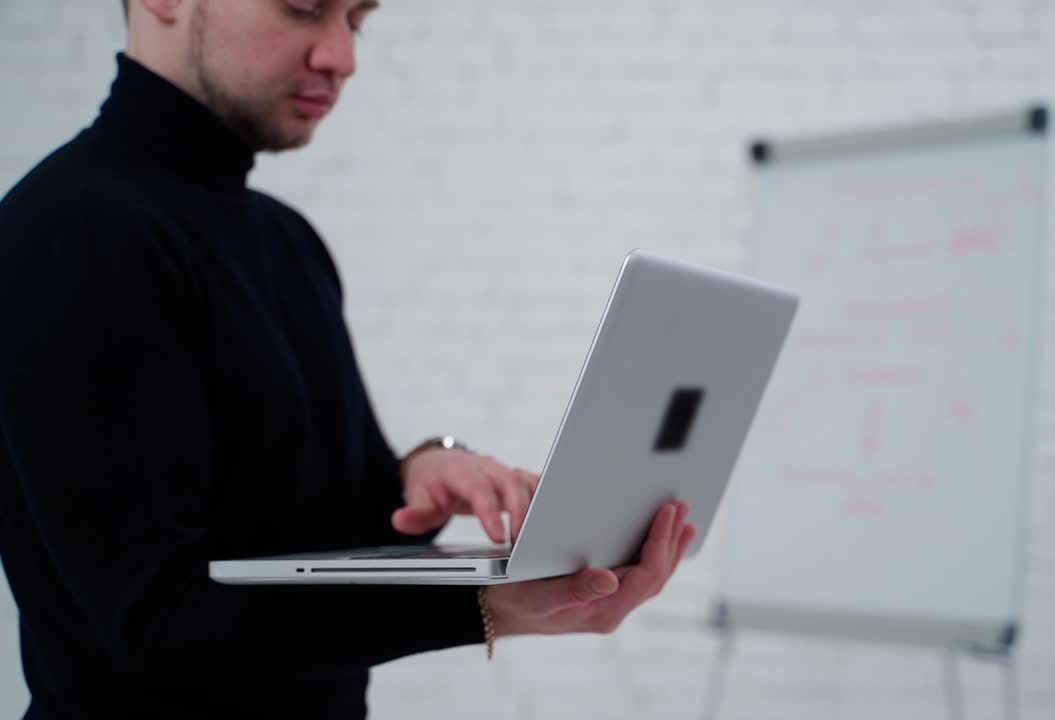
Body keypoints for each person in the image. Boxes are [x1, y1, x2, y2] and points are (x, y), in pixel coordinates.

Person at [0, 1, 697, 717]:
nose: (342, 56)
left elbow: (326, 526)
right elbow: (153, 623)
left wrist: (420, 474)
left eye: (356, 20)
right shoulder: (72, 231)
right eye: (304, 9)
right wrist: (489, 609)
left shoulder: (289, 241)